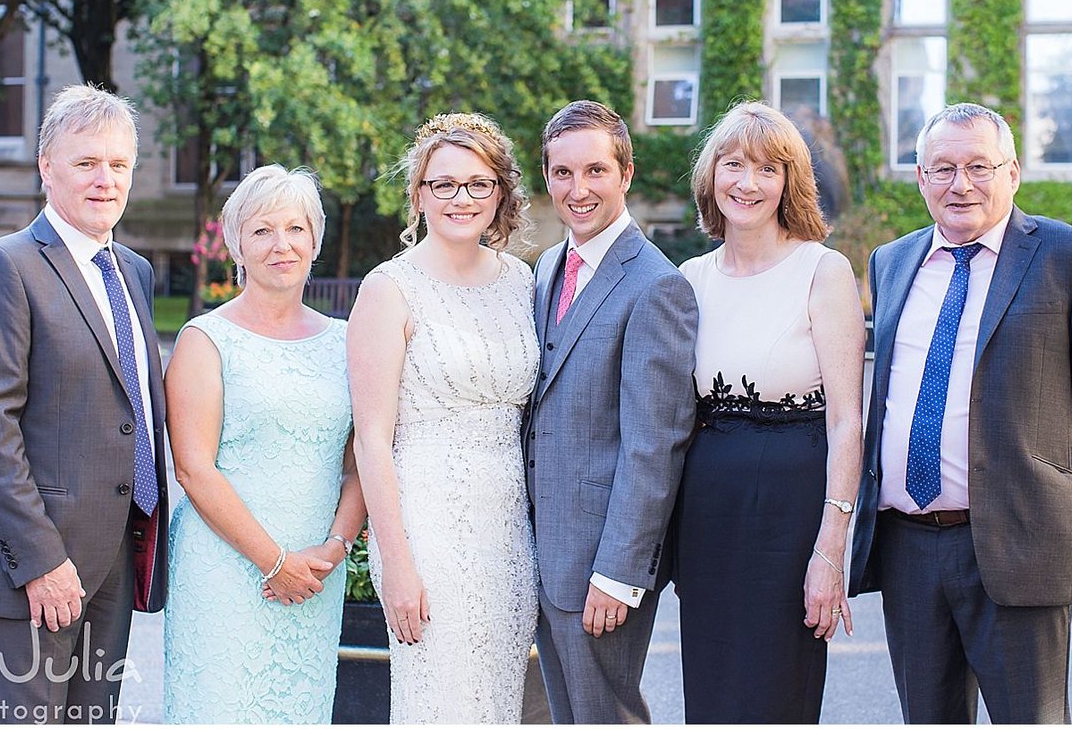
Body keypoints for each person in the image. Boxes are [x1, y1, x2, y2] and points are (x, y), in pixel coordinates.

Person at [846, 102, 1072, 724]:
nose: (961, 184)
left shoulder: (1070, 258)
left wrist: (1041, 482)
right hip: (909, 547)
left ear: (1013, 173)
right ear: (920, 177)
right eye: (943, 168)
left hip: (1019, 542)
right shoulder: (891, 263)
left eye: (979, 166)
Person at [0, 84, 167, 724]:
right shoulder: (0, 268)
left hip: (113, 565)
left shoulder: (134, 271)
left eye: (119, 165)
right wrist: (42, 562)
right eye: (87, 163)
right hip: (33, 574)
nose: (106, 180)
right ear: (47, 168)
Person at [672, 101, 865, 724]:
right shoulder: (691, 279)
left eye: (766, 168)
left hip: (793, 521)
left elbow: (846, 422)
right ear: (711, 177)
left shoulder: (823, 271)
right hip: (707, 521)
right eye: (733, 164)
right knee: (711, 694)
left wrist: (831, 546)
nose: (747, 182)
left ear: (790, 182)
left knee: (777, 695)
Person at [347, 113, 540, 723]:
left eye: (478, 183)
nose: (462, 198)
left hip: (508, 533)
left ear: (501, 192)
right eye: (444, 184)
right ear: (420, 195)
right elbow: (372, 440)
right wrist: (397, 563)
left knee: (497, 703)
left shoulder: (521, 282)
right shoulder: (389, 288)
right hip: (426, 531)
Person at [162, 164, 365, 723]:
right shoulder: (207, 340)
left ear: (315, 240)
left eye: (296, 229)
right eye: (263, 231)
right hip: (227, 570)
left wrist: (336, 548)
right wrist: (272, 561)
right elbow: (193, 469)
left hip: (316, 577)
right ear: (237, 246)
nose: (282, 245)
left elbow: (359, 465)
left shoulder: (346, 342)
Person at [525, 100, 699, 724]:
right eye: (563, 172)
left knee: (608, 717)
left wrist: (620, 572)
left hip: (601, 564)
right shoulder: (548, 267)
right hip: (546, 553)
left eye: (595, 170)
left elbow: (656, 444)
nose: (578, 189)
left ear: (625, 173)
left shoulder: (656, 285)